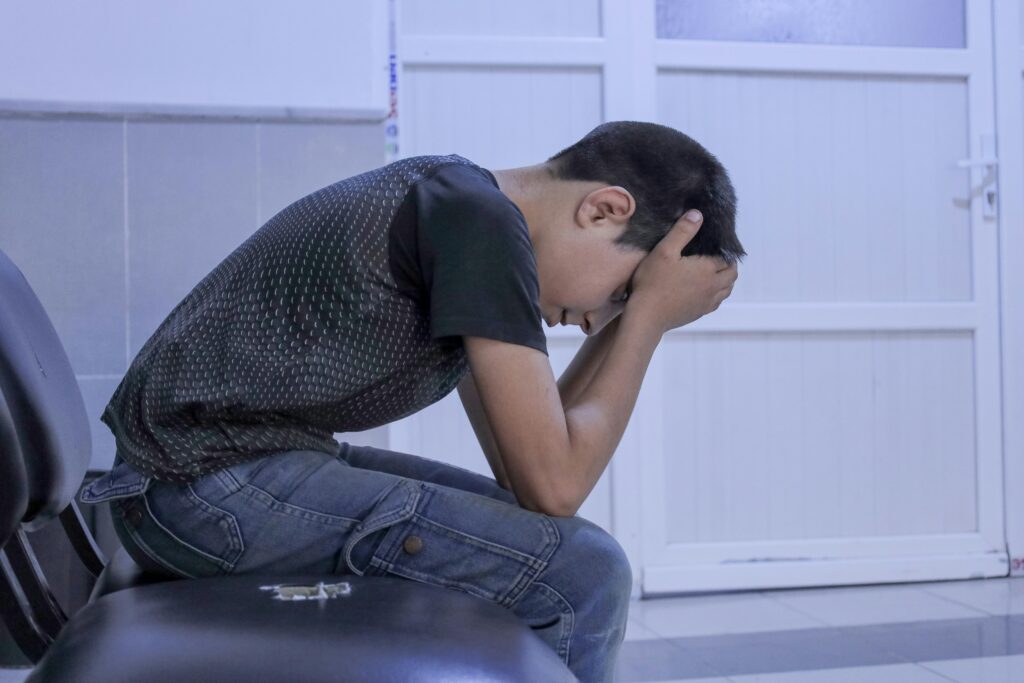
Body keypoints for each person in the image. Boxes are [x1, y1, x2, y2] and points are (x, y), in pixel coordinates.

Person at [79, 120, 744, 682]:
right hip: (202, 490)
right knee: (586, 572)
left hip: (208, 477)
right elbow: (556, 482)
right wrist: (650, 317)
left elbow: (529, 468)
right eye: (621, 290)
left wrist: (636, 312)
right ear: (603, 209)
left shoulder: (465, 206)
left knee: (556, 544)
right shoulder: (478, 224)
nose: (596, 318)